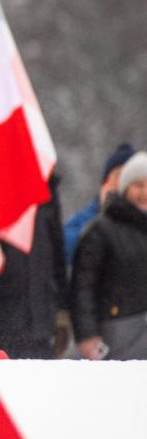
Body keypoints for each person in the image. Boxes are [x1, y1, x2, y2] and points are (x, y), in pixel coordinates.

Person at [70, 151, 147, 360]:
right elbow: (83, 287)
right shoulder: (101, 229)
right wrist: (86, 336)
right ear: (125, 188)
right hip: (114, 334)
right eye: (138, 186)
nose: (144, 192)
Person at [0, 172, 66, 359]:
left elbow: (57, 260)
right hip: (5, 319)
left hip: (41, 321)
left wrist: (62, 312)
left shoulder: (46, 199)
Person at [62, 143, 134, 267]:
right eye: (118, 176)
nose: (122, 184)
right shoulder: (86, 219)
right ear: (105, 183)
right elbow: (63, 247)